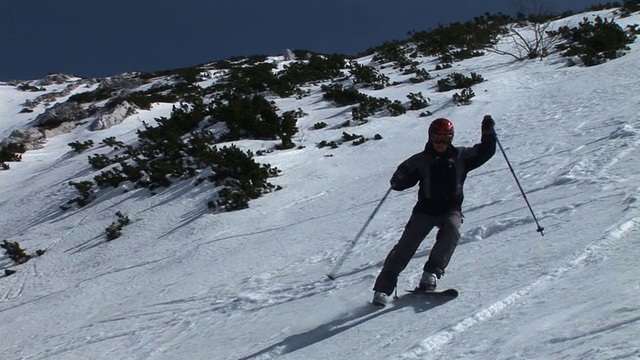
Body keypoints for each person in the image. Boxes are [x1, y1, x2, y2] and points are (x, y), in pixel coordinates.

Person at [372, 115, 496, 306]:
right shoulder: (421, 160)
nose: (440, 142)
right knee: (405, 248)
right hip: (425, 210)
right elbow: (401, 179)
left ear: (451, 138)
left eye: (445, 138)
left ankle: (430, 274)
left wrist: (487, 132)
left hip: (450, 209)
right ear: (430, 137)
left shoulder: (461, 157)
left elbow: (486, 152)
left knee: (452, 230)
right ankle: (383, 289)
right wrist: (399, 179)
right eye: (437, 138)